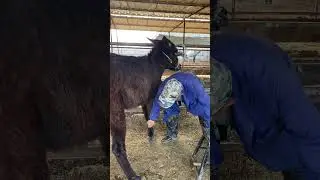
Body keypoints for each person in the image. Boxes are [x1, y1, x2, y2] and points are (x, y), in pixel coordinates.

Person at [211, 30, 320, 180]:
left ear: (230, 101)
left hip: (264, 76)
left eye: (214, 114)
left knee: (306, 157)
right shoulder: (210, 62)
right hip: (240, 75)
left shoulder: (280, 85)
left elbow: (311, 138)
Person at [146, 71, 223, 166]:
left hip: (190, 86)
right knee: (170, 111)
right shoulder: (164, 87)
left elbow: (206, 104)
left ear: (179, 94)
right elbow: (157, 101)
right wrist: (152, 118)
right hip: (175, 90)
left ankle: (212, 142)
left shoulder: (195, 86)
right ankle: (172, 135)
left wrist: (208, 121)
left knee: (202, 111)